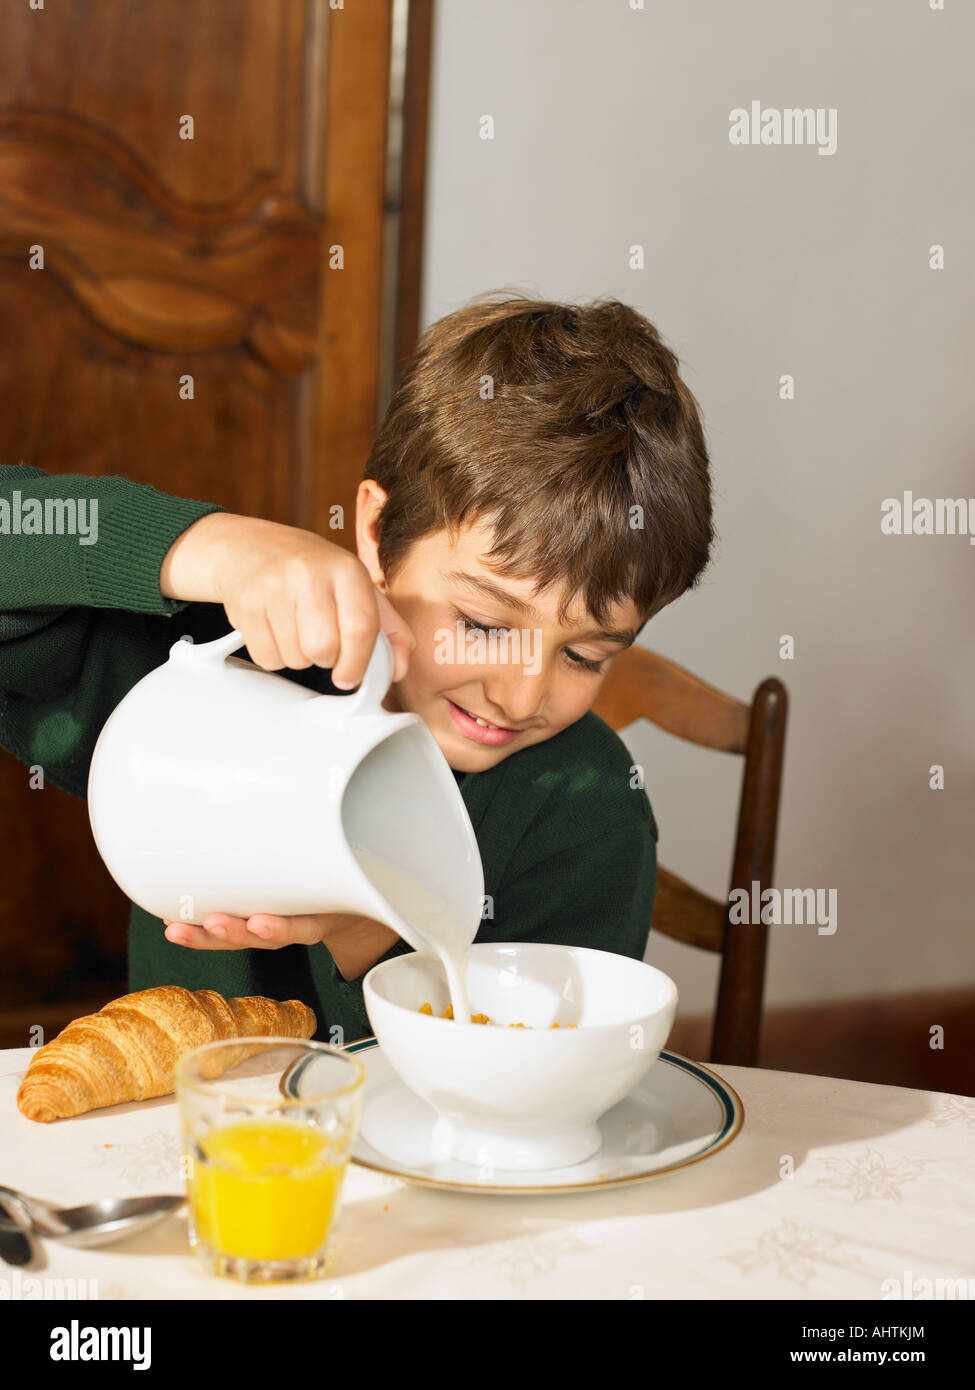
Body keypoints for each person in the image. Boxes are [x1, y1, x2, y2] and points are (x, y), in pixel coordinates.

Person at [0, 291, 713, 1044]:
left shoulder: (586, 805)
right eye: (482, 623)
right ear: (374, 530)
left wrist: (361, 927)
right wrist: (211, 546)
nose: (521, 692)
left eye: (584, 654)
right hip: (198, 1142)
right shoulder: (214, 665)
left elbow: (546, 1074)